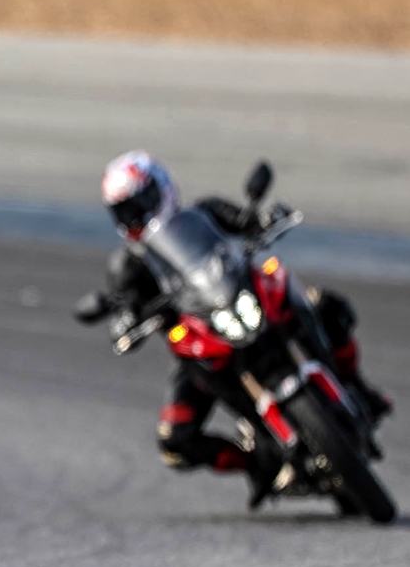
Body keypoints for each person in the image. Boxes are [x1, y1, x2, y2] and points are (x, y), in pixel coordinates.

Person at [97, 151, 392, 504]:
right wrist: (125, 318)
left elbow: (245, 221)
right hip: (200, 344)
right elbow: (123, 302)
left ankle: (357, 386)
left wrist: (265, 220)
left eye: (140, 202)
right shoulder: (128, 263)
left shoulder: (204, 214)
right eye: (126, 210)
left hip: (242, 301)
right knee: (175, 439)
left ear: (160, 189)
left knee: (327, 306)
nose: (137, 215)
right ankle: (257, 464)